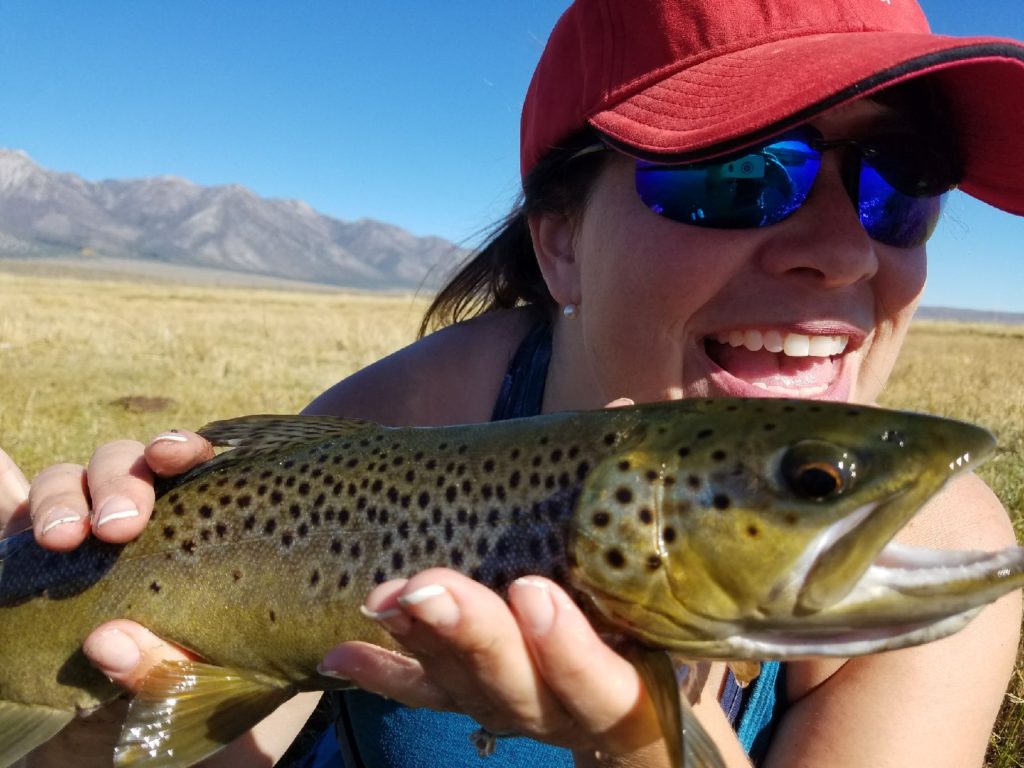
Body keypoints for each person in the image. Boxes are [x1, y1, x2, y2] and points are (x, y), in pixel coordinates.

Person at [3, 0, 1024, 765]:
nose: (841, 251)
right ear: (560, 241)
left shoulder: (936, 548)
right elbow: (211, 733)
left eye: (905, 180)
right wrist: (71, 714)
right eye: (738, 172)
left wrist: (657, 747)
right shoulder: (386, 421)